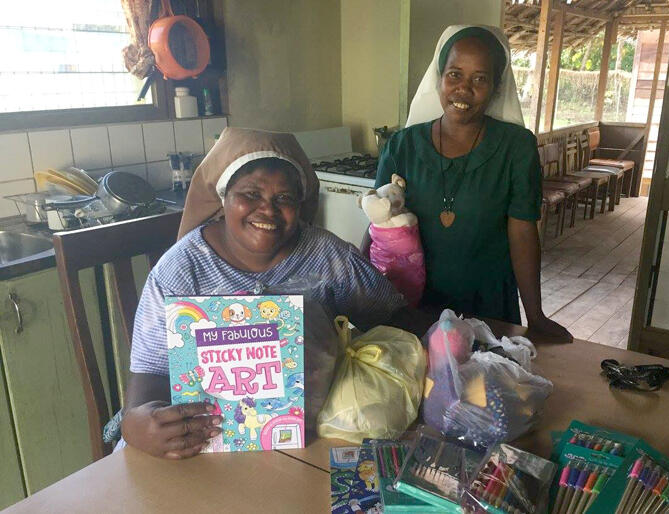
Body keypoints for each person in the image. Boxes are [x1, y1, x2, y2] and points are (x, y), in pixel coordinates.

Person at [121, 127, 406, 459]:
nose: (267, 210)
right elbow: (146, 387)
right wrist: (138, 425)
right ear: (223, 197)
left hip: (311, 444)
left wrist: (451, 337)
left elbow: (394, 316)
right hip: (206, 451)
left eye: (284, 198)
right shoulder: (180, 271)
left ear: (300, 204)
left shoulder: (327, 256)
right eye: (250, 194)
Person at [371, 25, 572, 341]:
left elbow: (522, 231)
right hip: (413, 307)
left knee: (487, 388)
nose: (463, 88)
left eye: (480, 78)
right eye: (454, 74)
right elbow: (378, 225)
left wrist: (536, 316)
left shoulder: (516, 148)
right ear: (439, 78)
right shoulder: (402, 146)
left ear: (495, 87)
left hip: (488, 310)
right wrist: (356, 295)